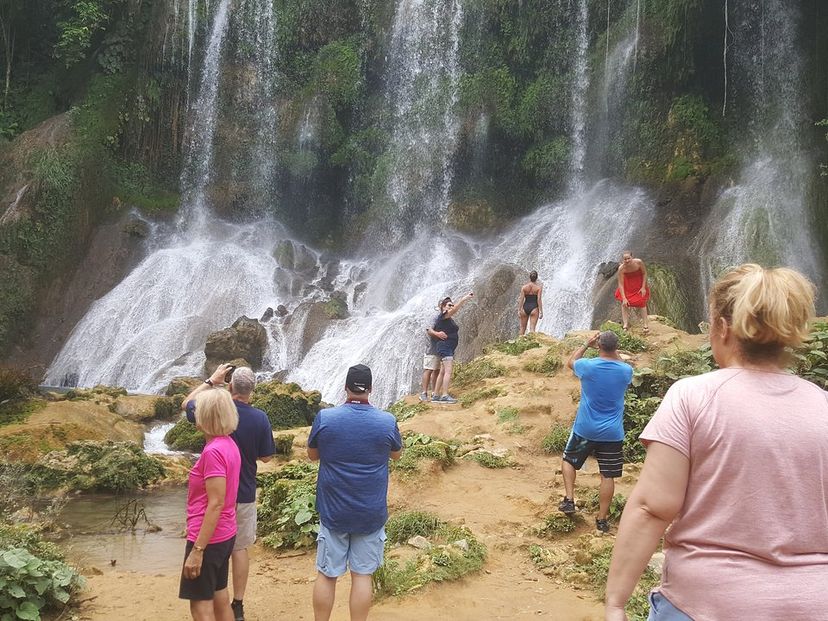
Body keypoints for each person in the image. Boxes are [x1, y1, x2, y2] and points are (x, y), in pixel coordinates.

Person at [604, 264, 828, 621]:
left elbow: (651, 508)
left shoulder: (693, 396)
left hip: (704, 604)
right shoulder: (823, 405)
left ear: (723, 328)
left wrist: (616, 603)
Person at [307, 364, 403, 621]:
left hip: (334, 511)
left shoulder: (326, 418)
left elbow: (312, 455)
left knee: (327, 574)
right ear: (371, 389)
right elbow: (396, 454)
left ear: (345, 387)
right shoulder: (387, 421)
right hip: (370, 512)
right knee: (362, 576)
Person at [182, 364, 277, 621]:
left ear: (231, 386)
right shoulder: (256, 421)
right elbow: (267, 456)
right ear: (253, 391)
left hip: (214, 517)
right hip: (241, 497)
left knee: (203, 599)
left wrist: (211, 381)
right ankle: (240, 603)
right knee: (239, 550)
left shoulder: (215, 431)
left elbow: (187, 404)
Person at [558, 331, 633, 533]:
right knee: (607, 476)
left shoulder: (587, 366)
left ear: (598, 346)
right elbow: (622, 364)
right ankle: (601, 519)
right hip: (612, 433)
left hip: (585, 428)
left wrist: (585, 344)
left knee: (568, 460)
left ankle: (569, 499)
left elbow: (571, 361)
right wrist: (613, 352)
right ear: (616, 348)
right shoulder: (625, 371)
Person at [179, 388, 241, 621]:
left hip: (209, 538)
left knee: (201, 607)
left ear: (205, 417)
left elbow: (215, 503)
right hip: (225, 533)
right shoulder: (228, 444)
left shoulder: (213, 452)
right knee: (220, 597)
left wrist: (198, 550)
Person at [430, 293, 474, 403]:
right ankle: (444, 395)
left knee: (443, 371)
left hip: (447, 347)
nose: (451, 307)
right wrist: (464, 299)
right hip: (445, 347)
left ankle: (435, 395)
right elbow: (454, 310)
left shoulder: (447, 319)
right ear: (443, 307)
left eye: (451, 305)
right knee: (448, 371)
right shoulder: (443, 316)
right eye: (449, 305)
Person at [614, 251, 650, 332]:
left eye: (628, 258)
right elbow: (620, 283)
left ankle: (645, 324)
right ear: (622, 260)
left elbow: (644, 273)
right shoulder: (621, 268)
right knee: (624, 304)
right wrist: (624, 298)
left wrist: (643, 287)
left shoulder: (639, 262)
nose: (627, 261)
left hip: (639, 285)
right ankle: (625, 324)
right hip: (628, 286)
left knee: (642, 303)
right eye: (625, 259)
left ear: (632, 257)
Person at [420, 317, 441, 402]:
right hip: (431, 349)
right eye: (448, 305)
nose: (450, 308)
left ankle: (434, 392)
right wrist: (438, 334)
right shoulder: (435, 318)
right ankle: (424, 393)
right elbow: (429, 330)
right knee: (428, 370)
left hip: (439, 349)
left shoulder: (444, 318)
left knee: (436, 370)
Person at [518, 270, 543, 335]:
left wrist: (519, 310)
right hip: (534, 308)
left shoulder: (524, 287)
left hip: (525, 307)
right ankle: (531, 344)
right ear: (537, 278)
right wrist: (540, 311)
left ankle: (519, 343)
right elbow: (539, 299)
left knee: (522, 328)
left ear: (530, 277)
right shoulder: (538, 288)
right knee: (532, 329)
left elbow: (521, 299)